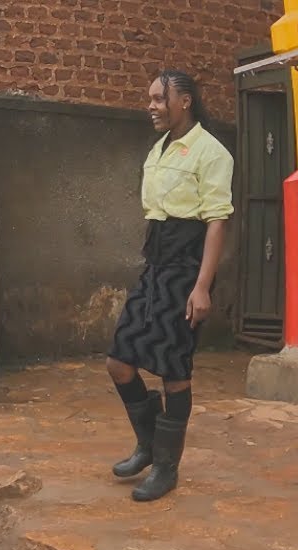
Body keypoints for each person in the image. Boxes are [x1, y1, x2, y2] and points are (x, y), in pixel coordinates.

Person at [107, 71, 233, 503]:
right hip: (156, 267)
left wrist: (202, 287)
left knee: (173, 369)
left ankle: (166, 467)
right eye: (151, 98)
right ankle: (148, 444)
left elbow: (217, 222)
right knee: (119, 362)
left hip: (187, 271)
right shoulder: (158, 149)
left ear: (185, 102)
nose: (152, 105)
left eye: (160, 98)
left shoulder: (211, 152)